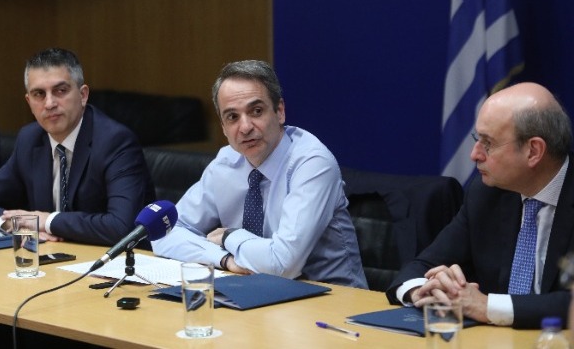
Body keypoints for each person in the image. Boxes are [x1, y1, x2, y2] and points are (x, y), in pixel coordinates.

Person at [152, 60, 367, 288]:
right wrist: (225, 259)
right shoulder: (226, 163)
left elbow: (283, 265)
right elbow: (165, 232)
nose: (245, 127)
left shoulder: (312, 163)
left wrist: (229, 237)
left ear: (280, 112)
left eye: (256, 111)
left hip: (330, 298)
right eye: (232, 117)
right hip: (253, 293)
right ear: (223, 127)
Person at [385, 82, 574, 328]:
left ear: (533, 151)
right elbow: (421, 266)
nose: (474, 154)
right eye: (477, 139)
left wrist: (487, 306)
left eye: (488, 143)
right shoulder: (486, 194)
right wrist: (427, 290)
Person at [0, 47, 155, 246]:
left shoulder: (115, 141)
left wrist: (47, 221)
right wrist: (16, 224)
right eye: (39, 94)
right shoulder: (30, 139)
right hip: (53, 256)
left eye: (60, 91)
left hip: (110, 259)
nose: (49, 103)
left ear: (83, 95)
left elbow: (121, 227)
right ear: (29, 101)